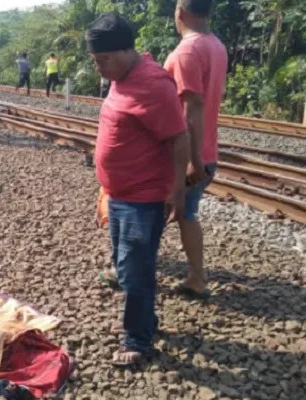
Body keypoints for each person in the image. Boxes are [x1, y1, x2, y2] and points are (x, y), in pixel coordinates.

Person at [87, 13, 189, 366]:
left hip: (142, 200)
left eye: (103, 60)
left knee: (135, 272)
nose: (99, 68)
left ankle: (138, 341)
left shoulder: (153, 84)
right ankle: (145, 323)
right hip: (119, 195)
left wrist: (177, 189)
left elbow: (178, 137)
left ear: (125, 51)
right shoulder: (122, 75)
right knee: (125, 265)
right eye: (95, 61)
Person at [164, 0, 227, 299]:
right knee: (187, 214)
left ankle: (128, 271)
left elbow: (191, 108)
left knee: (149, 212)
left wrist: (192, 160)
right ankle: (196, 278)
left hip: (186, 155)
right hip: (206, 151)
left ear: (181, 12)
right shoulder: (216, 45)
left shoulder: (188, 50)